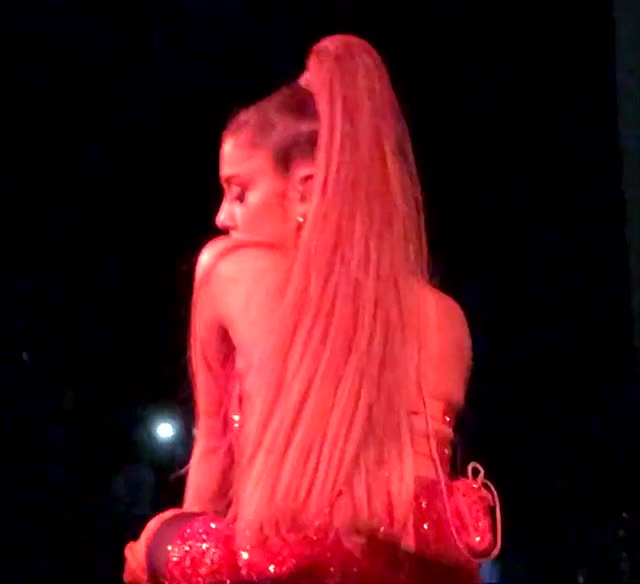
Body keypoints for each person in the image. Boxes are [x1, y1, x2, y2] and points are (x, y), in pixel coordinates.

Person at [123, 34, 499, 584]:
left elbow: (213, 455)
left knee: (156, 541)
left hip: (279, 565)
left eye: (239, 191)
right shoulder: (448, 320)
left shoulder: (228, 268)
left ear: (305, 190)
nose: (223, 216)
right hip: (416, 572)